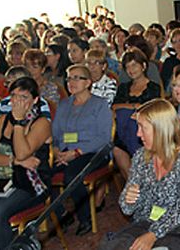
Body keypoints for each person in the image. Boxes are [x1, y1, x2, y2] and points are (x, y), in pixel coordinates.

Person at [99, 99, 180, 250]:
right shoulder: (141, 156)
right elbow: (126, 209)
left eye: (143, 127)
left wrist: (153, 234)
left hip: (177, 229)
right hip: (144, 223)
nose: (138, 133)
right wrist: (128, 199)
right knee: (112, 246)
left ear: (161, 129)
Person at [0, 77, 51, 249]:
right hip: (3, 179)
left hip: (32, 182)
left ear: (35, 100)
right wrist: (15, 162)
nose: (17, 102)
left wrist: (19, 122)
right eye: (14, 96)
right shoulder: (2, 121)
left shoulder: (41, 123)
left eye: (24, 97)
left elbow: (22, 152)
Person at [52, 65, 112, 236]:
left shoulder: (99, 105)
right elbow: (56, 134)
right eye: (69, 78)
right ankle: (62, 213)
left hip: (93, 151)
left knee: (72, 175)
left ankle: (85, 218)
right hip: (65, 151)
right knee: (41, 173)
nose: (71, 82)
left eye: (77, 78)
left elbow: (103, 138)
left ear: (88, 83)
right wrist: (57, 150)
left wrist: (77, 152)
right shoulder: (63, 105)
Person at [112, 48, 162, 179]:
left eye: (134, 65)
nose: (131, 70)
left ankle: (138, 182)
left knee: (132, 122)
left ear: (144, 66)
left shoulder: (153, 87)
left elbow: (151, 109)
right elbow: (114, 106)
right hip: (124, 131)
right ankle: (136, 183)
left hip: (143, 132)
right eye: (127, 67)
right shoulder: (123, 87)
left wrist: (131, 110)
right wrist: (134, 107)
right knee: (117, 149)